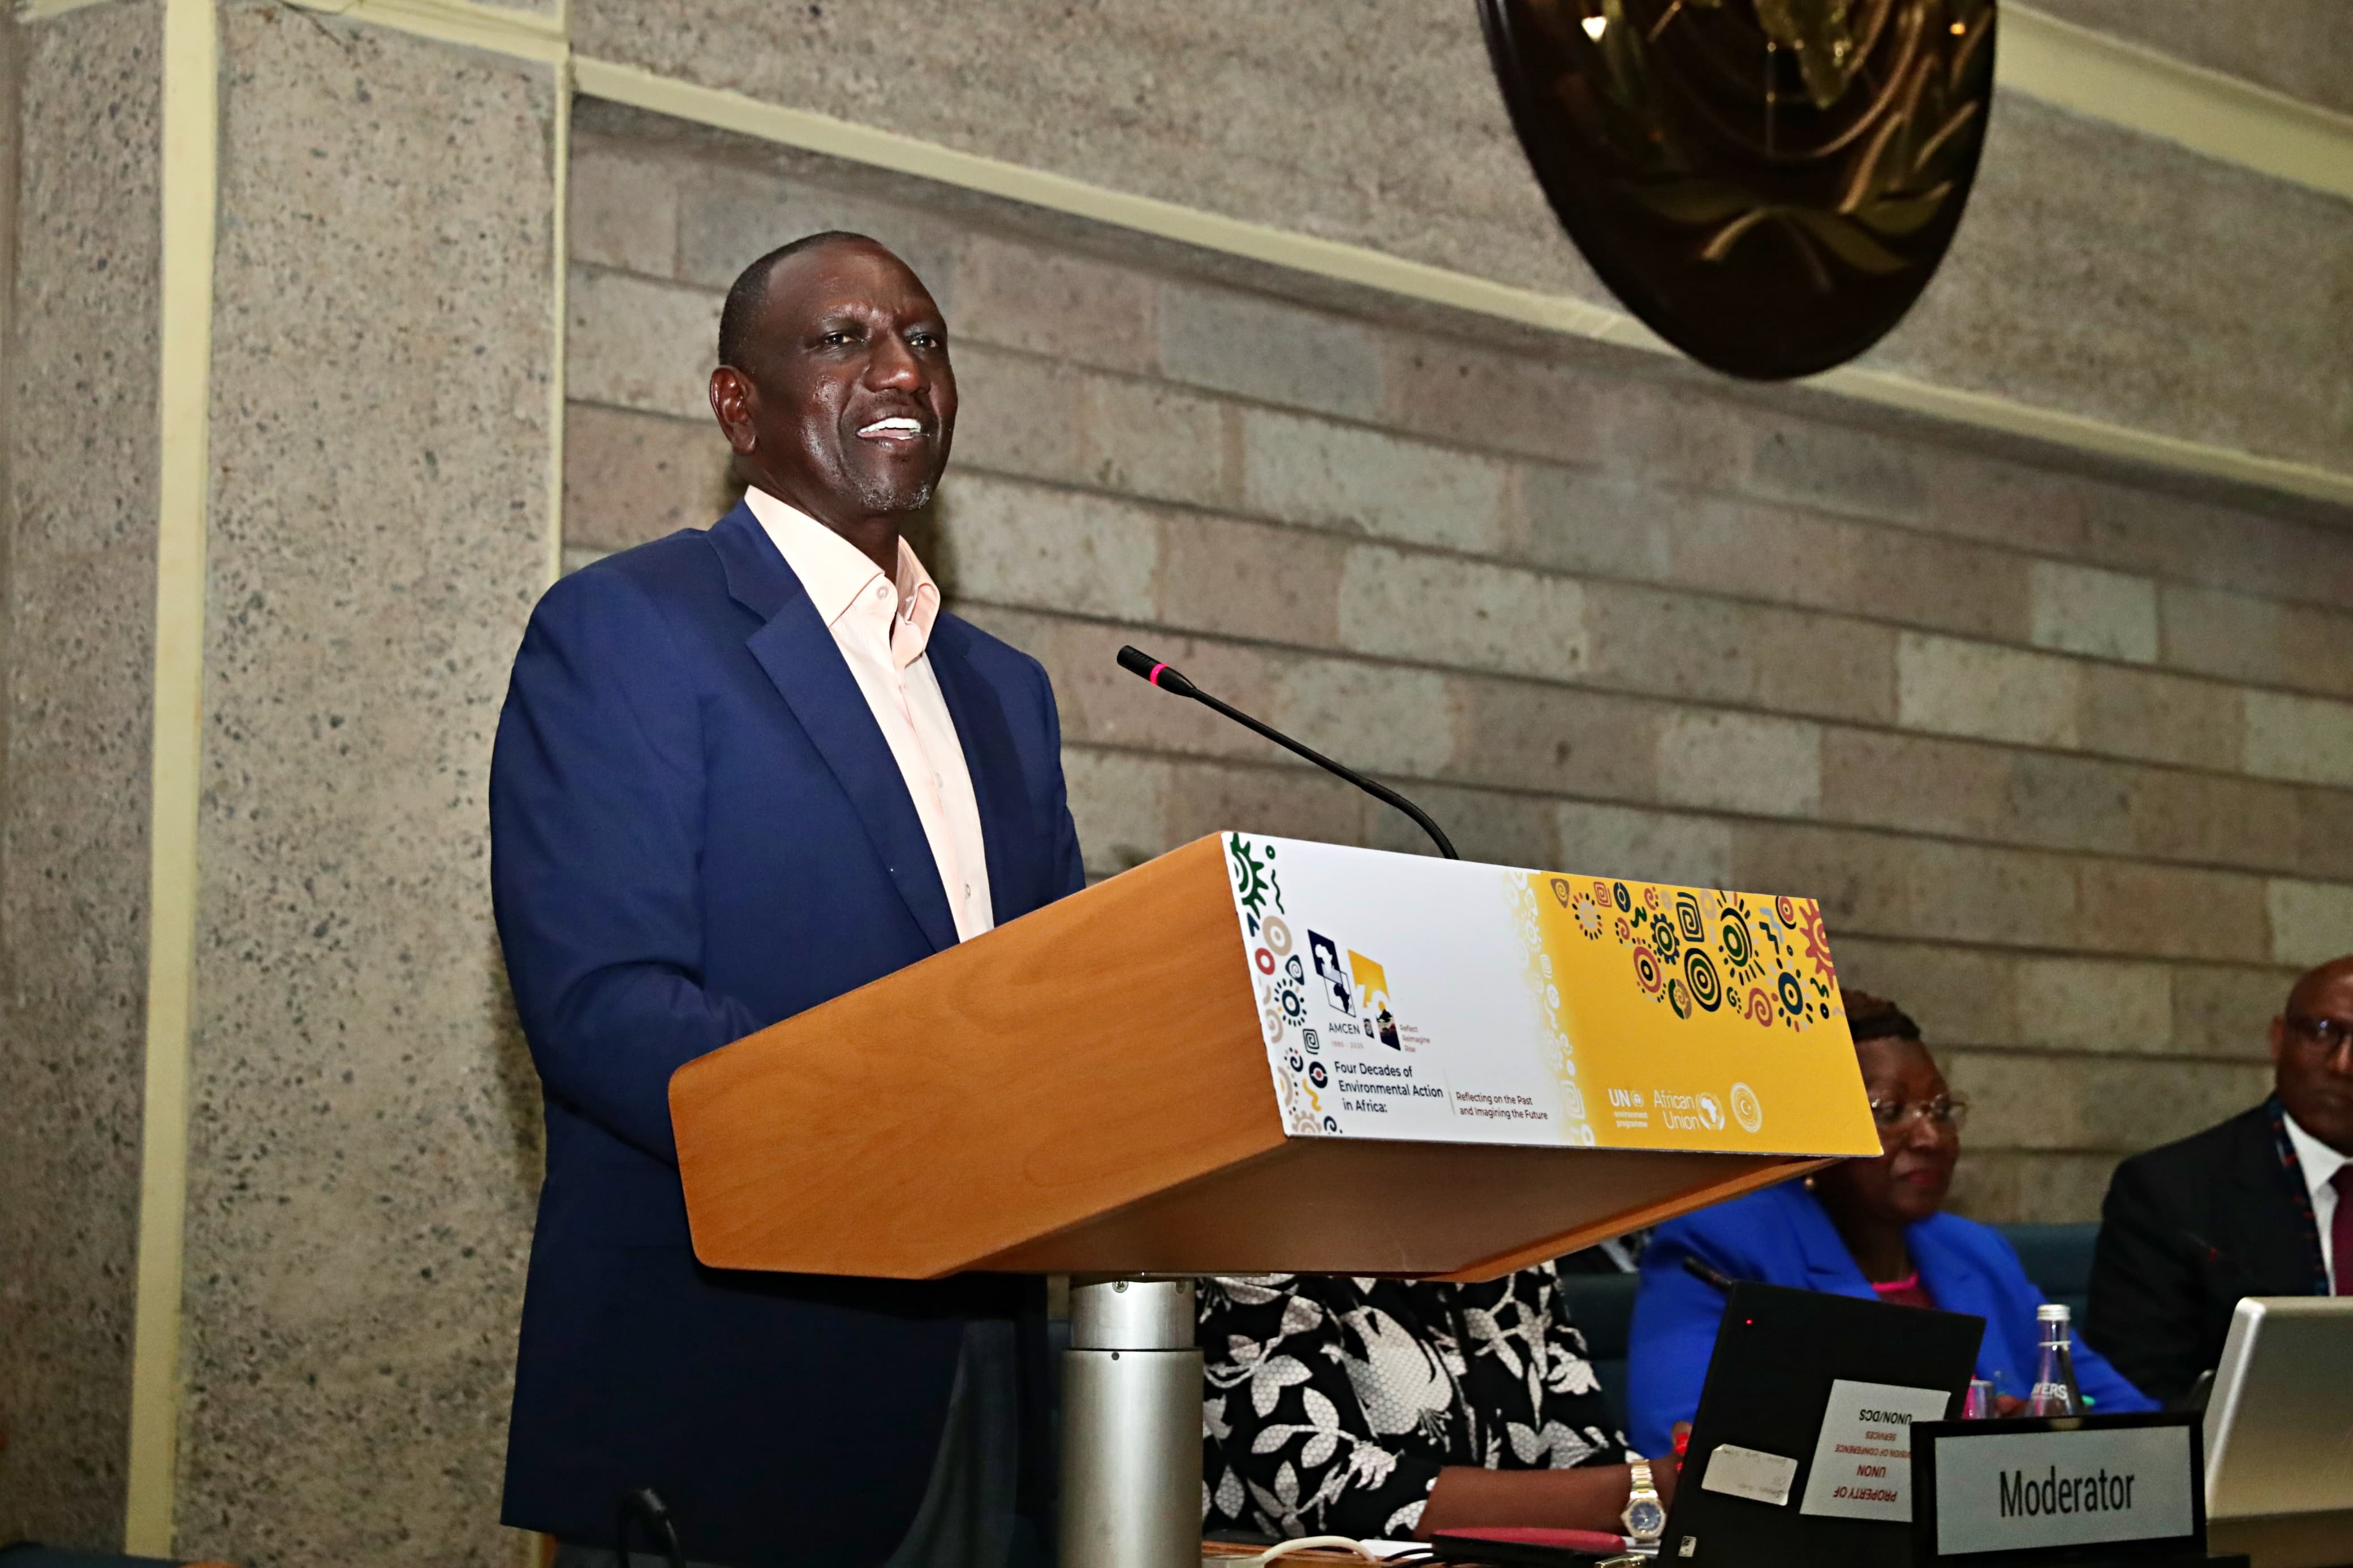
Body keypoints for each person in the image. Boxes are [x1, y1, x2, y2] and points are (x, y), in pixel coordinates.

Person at [490, 231, 1083, 1568]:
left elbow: (1063, 999)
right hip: (734, 1387)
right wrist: (914, 1135)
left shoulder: (1005, 692)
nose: (900, 370)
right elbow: (605, 1007)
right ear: (735, 406)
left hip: (987, 1384)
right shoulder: (626, 630)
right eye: (843, 340)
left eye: (924, 341)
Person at [1624, 992, 2154, 1454]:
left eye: (1941, 1110)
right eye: (1891, 1110)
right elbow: (1684, 1439)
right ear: (1815, 1129)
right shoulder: (1719, 1247)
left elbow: (2127, 1416)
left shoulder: (1976, 1251)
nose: (1930, 1137)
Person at [1199, 1267, 1675, 1545]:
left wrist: (1689, 1479)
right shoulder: (1258, 1236)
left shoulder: (1518, 1237)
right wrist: (1649, 1488)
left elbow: (1585, 1450)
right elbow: (1330, 1492)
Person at [2088, 955, 2353, 1405]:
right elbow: (2139, 1398)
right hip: (2258, 1463)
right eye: (2323, 1032)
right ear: (2277, 1039)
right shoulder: (2167, 1194)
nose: (2344, 1064)